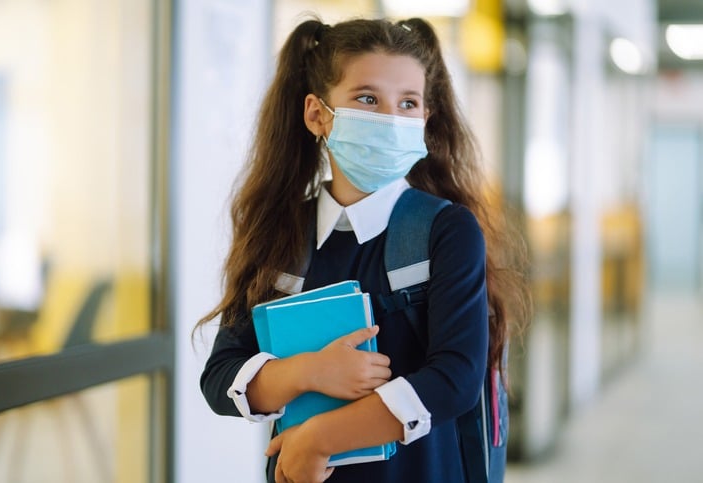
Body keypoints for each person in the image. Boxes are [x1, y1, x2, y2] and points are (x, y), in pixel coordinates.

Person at [197, 16, 530, 483]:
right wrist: (309, 372)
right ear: (317, 115)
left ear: (425, 120)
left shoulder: (446, 231)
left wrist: (320, 439)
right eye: (368, 99)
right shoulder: (279, 231)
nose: (390, 119)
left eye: (408, 103)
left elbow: (455, 378)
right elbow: (220, 377)